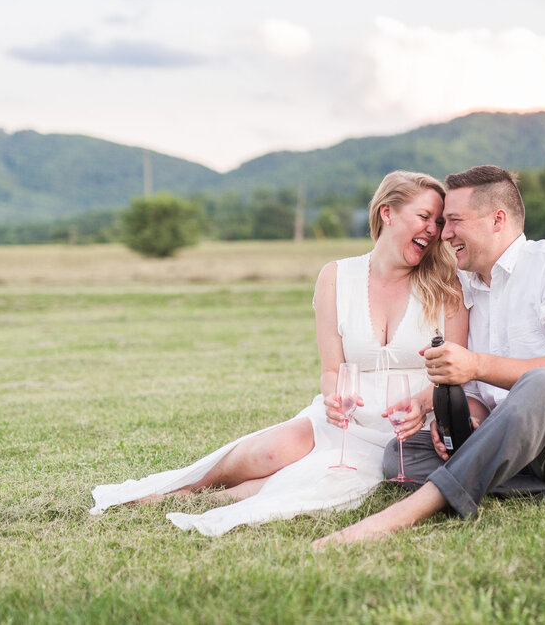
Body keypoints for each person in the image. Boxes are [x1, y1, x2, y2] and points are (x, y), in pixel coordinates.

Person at [90, 170, 467, 536]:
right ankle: (183, 487)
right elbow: (331, 369)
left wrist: (421, 404)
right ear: (387, 212)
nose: (434, 230)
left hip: (400, 429)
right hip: (342, 416)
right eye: (424, 217)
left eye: (438, 221)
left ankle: (200, 501)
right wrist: (334, 397)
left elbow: (456, 370)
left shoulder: (446, 285)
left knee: (301, 480)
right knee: (269, 453)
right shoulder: (336, 277)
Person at [314, 165, 545, 547]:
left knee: (540, 383)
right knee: (401, 456)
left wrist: (476, 365)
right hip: (514, 442)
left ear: (497, 220)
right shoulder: (468, 288)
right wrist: (461, 414)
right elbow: (485, 398)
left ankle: (406, 513)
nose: (443, 233)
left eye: (453, 220)